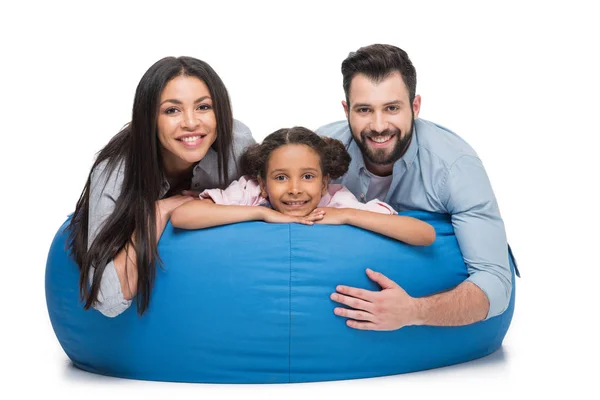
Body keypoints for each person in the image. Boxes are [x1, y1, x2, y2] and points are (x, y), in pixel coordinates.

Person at [317, 44, 517, 331]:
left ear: (415, 106)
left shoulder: (455, 167)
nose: (378, 125)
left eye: (392, 108)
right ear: (346, 110)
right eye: (364, 110)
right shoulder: (319, 153)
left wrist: (414, 311)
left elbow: (496, 283)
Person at [67, 56, 255, 317]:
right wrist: (159, 211)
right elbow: (106, 299)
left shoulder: (236, 145)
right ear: (149, 119)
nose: (191, 122)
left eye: (203, 107)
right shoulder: (115, 171)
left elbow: (277, 202)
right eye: (172, 110)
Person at [171, 127, 435, 246]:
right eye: (281, 178)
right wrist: (262, 213)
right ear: (262, 183)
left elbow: (425, 235)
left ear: (324, 184)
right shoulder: (250, 192)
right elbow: (183, 216)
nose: (294, 189)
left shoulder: (336, 201)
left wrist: (346, 215)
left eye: (308, 177)